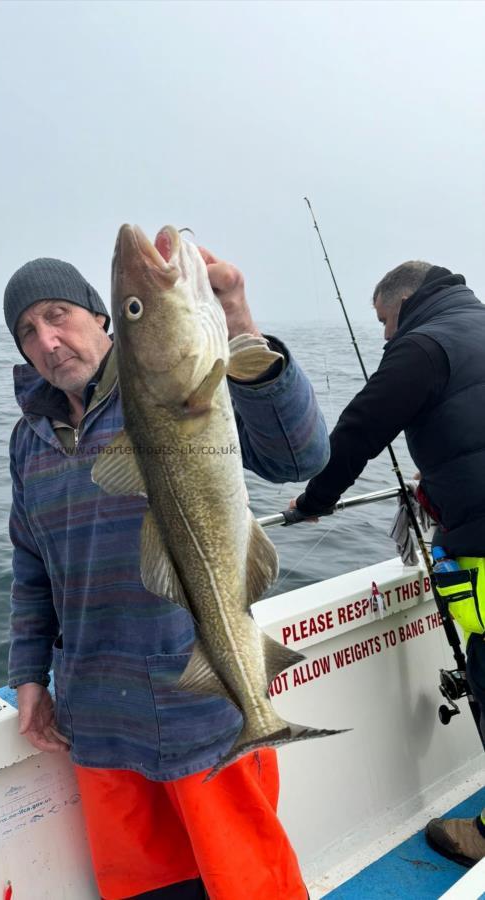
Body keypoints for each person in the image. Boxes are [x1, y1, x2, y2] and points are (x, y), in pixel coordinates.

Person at [4, 246, 330, 900]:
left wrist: (235, 316)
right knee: (144, 890)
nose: (47, 340)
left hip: (199, 707)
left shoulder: (163, 388)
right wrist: (27, 676)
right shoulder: (27, 439)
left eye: (58, 315)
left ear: (104, 321)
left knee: (248, 884)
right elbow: (30, 566)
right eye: (27, 331)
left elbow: (298, 456)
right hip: (94, 718)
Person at [292, 261, 485, 868]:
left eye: (381, 320)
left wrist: (314, 500)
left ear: (402, 304)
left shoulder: (423, 346)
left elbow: (359, 428)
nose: (382, 336)